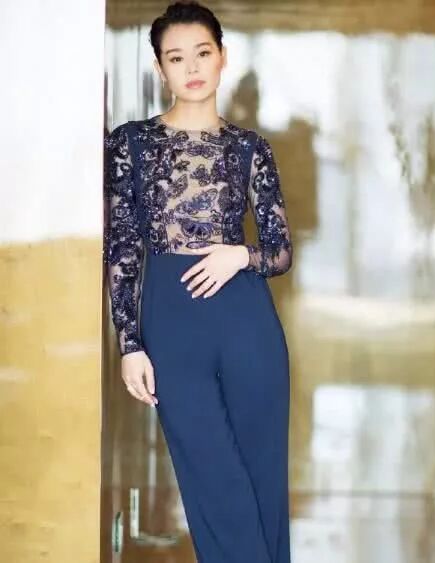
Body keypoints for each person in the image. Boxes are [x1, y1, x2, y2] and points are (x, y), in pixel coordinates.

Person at [103, 2, 293, 562]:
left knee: (261, 485)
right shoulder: (130, 144)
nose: (191, 67)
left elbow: (280, 251)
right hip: (171, 329)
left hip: (247, 325)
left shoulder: (250, 148)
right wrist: (130, 343)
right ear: (160, 69)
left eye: (202, 53)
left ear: (222, 57)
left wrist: (241, 255)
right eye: (176, 57)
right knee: (214, 483)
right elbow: (122, 248)